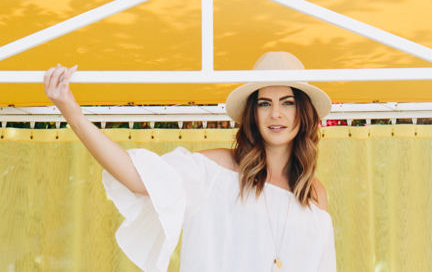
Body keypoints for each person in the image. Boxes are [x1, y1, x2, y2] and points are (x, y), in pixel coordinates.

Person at [43, 51, 337, 272]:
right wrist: (74, 115)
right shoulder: (218, 170)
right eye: (265, 103)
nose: (276, 114)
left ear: (303, 111)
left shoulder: (314, 194)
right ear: (253, 114)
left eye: (287, 102)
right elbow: (139, 178)